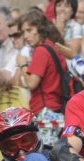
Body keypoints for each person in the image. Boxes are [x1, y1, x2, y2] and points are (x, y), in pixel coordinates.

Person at [16, 10, 67, 145]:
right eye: (23, 32)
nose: (25, 36)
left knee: (46, 157)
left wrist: (22, 65)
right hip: (56, 109)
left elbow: (32, 83)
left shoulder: (41, 51)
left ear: (39, 28)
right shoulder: (51, 46)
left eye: (29, 30)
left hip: (46, 111)